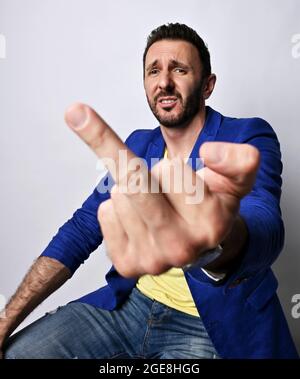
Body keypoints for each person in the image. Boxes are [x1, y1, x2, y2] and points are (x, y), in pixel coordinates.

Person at [0, 23, 298, 359]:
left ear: (208, 85)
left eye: (179, 69)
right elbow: (82, 229)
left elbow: (265, 220)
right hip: (132, 307)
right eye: (153, 71)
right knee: (19, 354)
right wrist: (5, 321)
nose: (164, 82)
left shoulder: (246, 135)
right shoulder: (138, 145)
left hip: (209, 321)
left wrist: (215, 238)